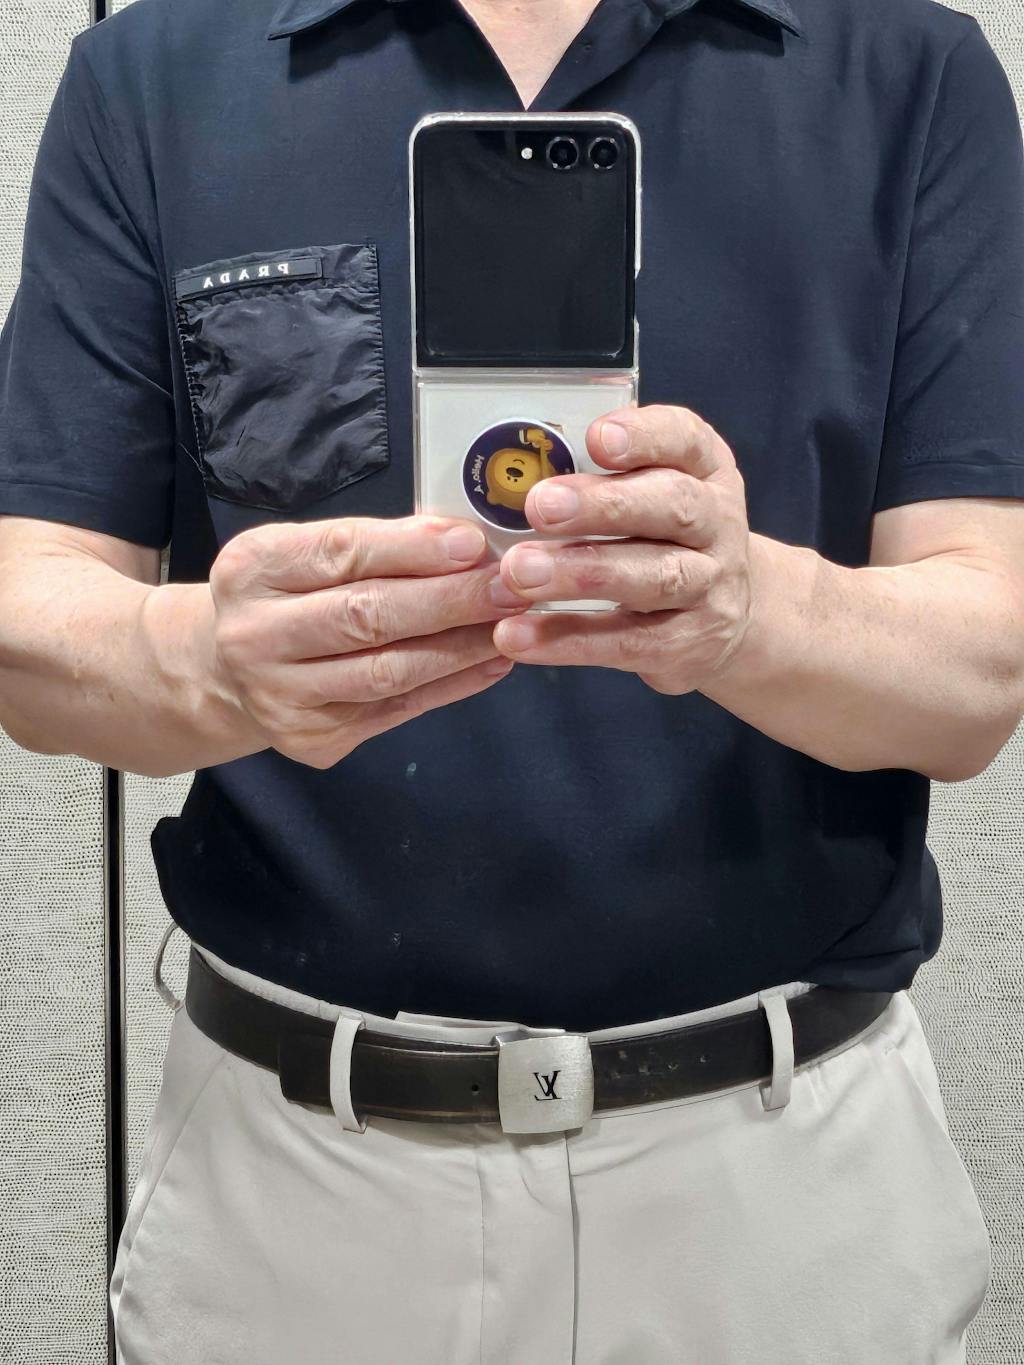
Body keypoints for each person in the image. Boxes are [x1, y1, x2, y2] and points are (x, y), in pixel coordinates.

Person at [1, 0, 1022, 1358]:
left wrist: (748, 612)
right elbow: (30, 629)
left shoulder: (907, 73)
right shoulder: (159, 74)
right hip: (295, 1189)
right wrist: (203, 661)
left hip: (785, 1190)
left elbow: (980, 671)